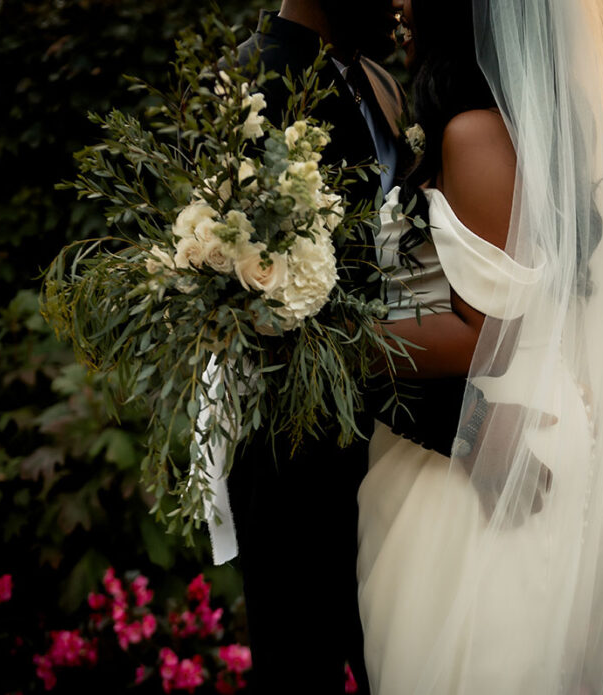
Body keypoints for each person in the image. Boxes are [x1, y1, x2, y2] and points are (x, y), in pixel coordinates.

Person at [356, 0, 603, 692]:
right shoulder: (512, 130)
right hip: (481, 431)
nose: (403, 3)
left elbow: (481, 333)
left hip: (491, 442)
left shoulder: (476, 135)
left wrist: (313, 329)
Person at [192, 2, 405, 692]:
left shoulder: (374, 78)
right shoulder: (249, 83)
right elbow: (243, 294)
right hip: (294, 451)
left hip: (390, 443)